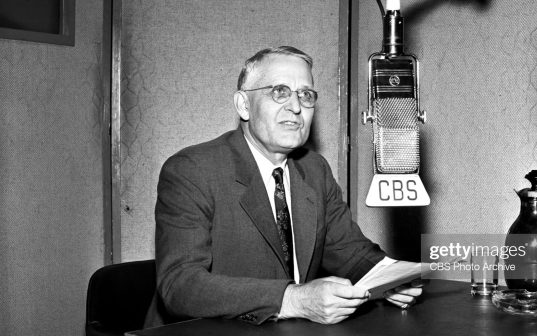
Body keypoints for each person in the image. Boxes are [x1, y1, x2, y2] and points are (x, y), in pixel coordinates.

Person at [145, 46, 422, 327]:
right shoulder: (193, 170)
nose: (296, 106)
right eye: (280, 91)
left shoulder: (314, 170)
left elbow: (350, 251)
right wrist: (293, 300)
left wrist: (393, 275)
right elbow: (180, 286)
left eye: (306, 95)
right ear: (243, 105)